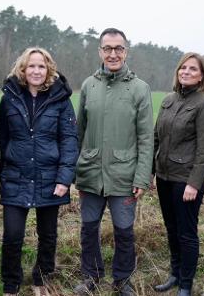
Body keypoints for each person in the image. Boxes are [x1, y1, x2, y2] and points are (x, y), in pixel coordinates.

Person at [74, 28, 154, 296]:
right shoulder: (88, 85)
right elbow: (79, 133)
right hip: (90, 173)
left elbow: (146, 139)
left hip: (124, 175)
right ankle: (91, 277)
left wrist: (143, 177)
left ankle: (122, 280)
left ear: (126, 51)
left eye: (118, 48)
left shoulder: (140, 88)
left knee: (124, 231)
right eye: (107, 48)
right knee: (88, 229)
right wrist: (75, 170)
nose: (113, 53)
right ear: (100, 52)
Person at [0, 47, 78, 296]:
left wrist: (65, 177)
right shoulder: (9, 97)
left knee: (48, 235)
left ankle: (41, 280)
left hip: (49, 177)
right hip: (16, 176)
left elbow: (69, 140)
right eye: (31, 66)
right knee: (12, 235)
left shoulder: (61, 100)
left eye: (41, 66)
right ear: (23, 68)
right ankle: (11, 283)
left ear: (49, 69)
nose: (36, 70)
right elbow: (0, 137)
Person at [152, 52, 204, 296]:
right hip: (164, 177)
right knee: (171, 228)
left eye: (193, 69)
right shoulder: (169, 100)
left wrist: (194, 183)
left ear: (201, 77)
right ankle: (175, 274)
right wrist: (149, 171)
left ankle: (186, 284)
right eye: (183, 68)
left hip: (186, 181)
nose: (186, 72)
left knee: (186, 232)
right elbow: (156, 137)